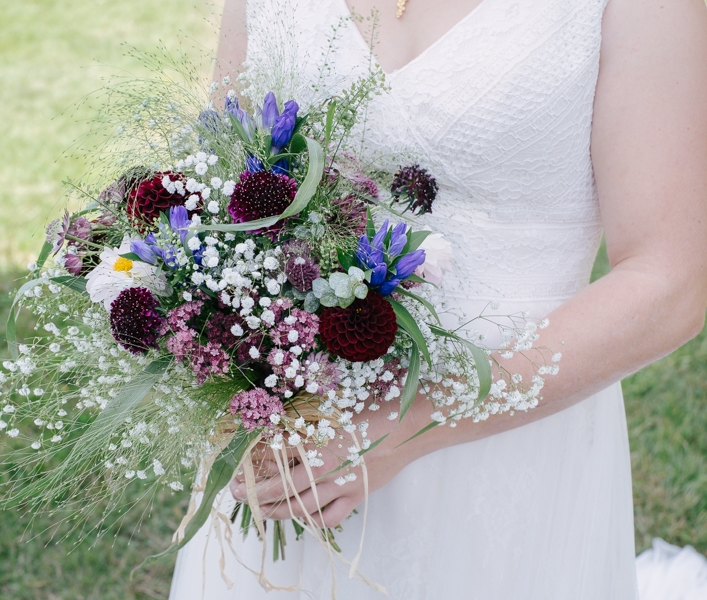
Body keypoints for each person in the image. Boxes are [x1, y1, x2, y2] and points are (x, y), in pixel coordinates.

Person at [169, 0, 707, 597]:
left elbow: (670, 282)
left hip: (506, 438)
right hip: (293, 434)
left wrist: (407, 429)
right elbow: (222, 190)